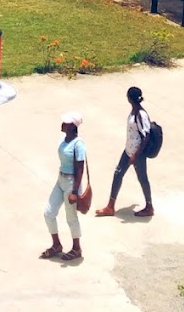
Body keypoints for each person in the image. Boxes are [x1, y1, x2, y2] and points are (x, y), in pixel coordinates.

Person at [94, 86, 154, 218]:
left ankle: (149, 207)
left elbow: (146, 137)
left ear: (129, 98)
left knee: (142, 178)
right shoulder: (135, 111)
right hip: (128, 150)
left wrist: (136, 155)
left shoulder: (140, 115)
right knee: (118, 174)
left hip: (137, 153)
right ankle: (110, 207)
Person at [41, 112, 87, 261]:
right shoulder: (64, 140)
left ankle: (76, 248)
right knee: (49, 213)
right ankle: (56, 245)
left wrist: (74, 191)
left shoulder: (78, 144)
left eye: (66, 123)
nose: (62, 124)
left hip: (71, 183)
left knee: (71, 218)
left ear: (73, 127)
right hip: (60, 179)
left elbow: (80, 169)